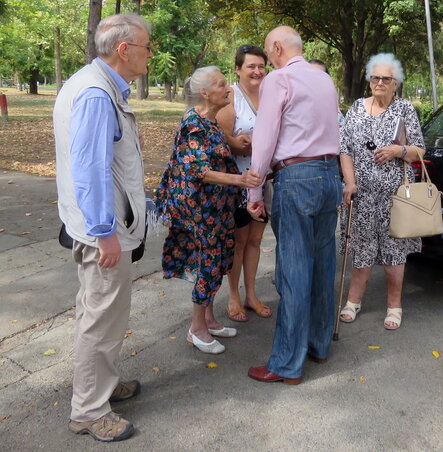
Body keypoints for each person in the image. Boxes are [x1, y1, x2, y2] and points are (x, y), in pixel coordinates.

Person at [53, 14, 153, 442]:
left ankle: (103, 387)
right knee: (100, 319)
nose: (152, 54)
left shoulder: (95, 85)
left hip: (99, 226)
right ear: (124, 50)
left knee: (104, 316)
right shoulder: (97, 93)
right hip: (102, 233)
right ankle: (89, 411)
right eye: (147, 47)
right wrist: (104, 232)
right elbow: (89, 169)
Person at [246, 26, 342, 384]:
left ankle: (287, 363)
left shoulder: (279, 79)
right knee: (322, 265)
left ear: (276, 47)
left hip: (296, 178)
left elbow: (266, 134)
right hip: (328, 176)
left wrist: (254, 190)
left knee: (295, 270)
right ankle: (318, 345)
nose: (269, 59)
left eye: (270, 52)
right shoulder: (324, 80)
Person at [154, 66, 261, 355]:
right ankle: (197, 328)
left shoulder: (210, 122)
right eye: (221, 84)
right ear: (204, 93)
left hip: (217, 209)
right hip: (199, 211)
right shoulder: (193, 123)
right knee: (208, 263)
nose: (228, 89)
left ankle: (210, 320)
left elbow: (222, 147)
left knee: (220, 259)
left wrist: (237, 143)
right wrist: (240, 179)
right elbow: (200, 171)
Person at [338, 53, 426, 330]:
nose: (379, 83)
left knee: (393, 252)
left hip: (394, 196)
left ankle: (394, 305)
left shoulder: (405, 110)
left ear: (395, 83)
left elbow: (419, 151)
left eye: (385, 79)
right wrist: (350, 182)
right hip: (361, 194)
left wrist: (398, 150)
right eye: (375, 77)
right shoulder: (355, 108)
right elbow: (345, 149)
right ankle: (353, 301)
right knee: (361, 248)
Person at [216, 45, 272, 323]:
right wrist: (239, 145)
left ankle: (251, 295)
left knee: (256, 240)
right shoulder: (230, 97)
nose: (257, 71)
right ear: (238, 69)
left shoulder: (270, 95)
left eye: (261, 66)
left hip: (265, 182)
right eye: (251, 66)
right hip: (238, 183)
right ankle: (234, 296)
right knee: (239, 241)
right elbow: (222, 138)